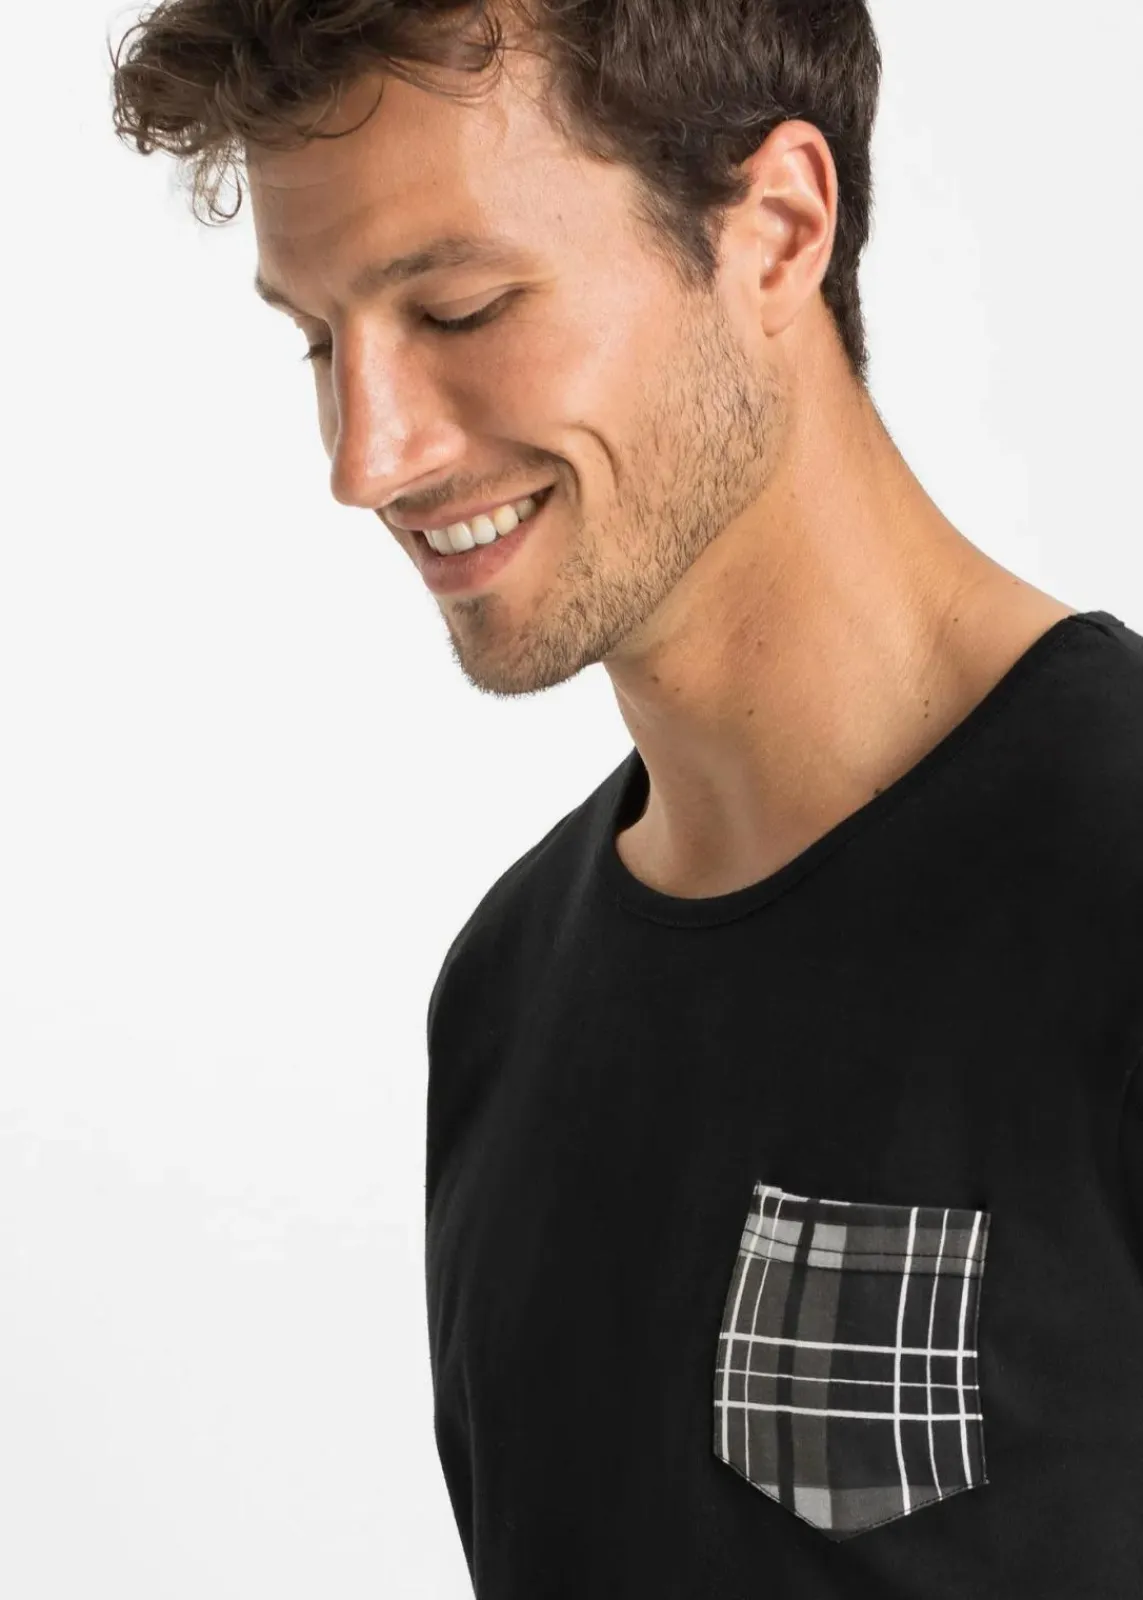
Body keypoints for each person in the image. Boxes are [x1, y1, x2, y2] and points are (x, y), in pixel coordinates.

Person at [109, 1, 1143, 1593]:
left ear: (775, 229)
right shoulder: (506, 991)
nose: (365, 456)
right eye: (319, 339)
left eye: (458, 308)